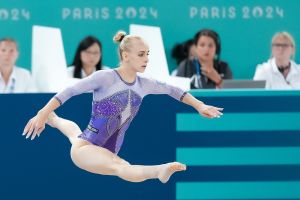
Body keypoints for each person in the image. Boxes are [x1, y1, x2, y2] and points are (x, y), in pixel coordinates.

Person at [22, 31, 223, 183]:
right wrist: (42, 112)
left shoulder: (144, 84)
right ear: (126, 56)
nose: (146, 59)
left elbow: (174, 90)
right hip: (87, 150)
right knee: (121, 167)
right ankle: (159, 171)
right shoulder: (105, 78)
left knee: (74, 134)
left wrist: (199, 105)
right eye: (141, 54)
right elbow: (69, 91)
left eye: (148, 54)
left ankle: (55, 120)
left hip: (100, 149)